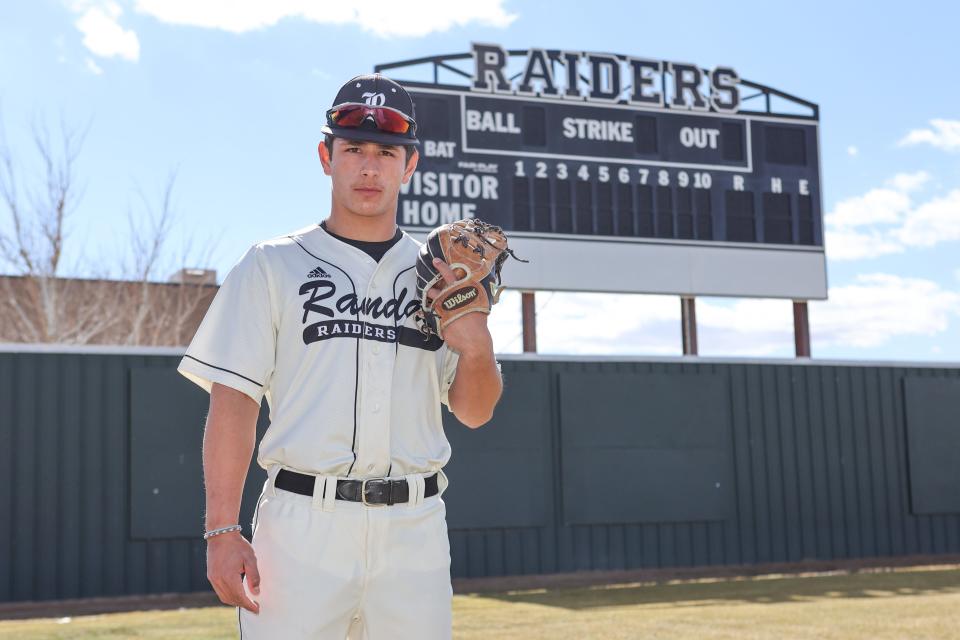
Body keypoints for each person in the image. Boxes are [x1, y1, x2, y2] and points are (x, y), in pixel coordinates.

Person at [176, 73, 503, 640]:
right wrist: (221, 531)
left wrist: (477, 345)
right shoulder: (272, 264)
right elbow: (233, 406)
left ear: (411, 165)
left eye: (386, 152)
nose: (369, 167)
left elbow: (476, 411)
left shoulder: (443, 274)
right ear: (326, 157)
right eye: (353, 149)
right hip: (302, 526)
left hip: (415, 528)